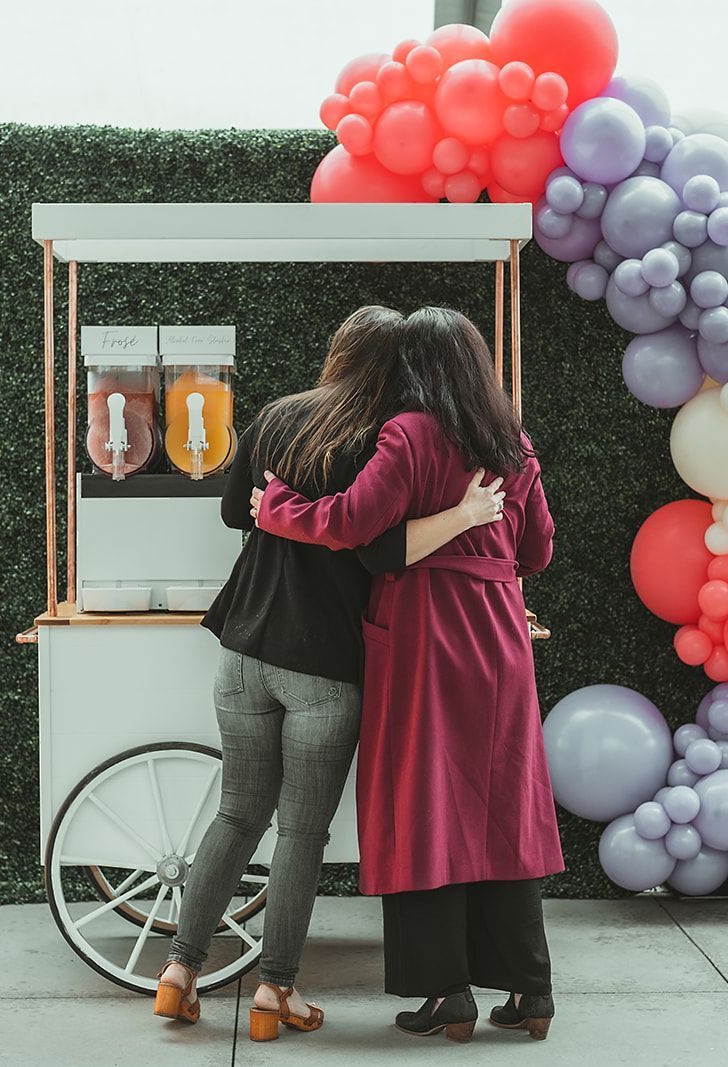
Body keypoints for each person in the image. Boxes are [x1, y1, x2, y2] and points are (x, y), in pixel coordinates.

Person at [154, 306, 508, 1042]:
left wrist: (278, 506)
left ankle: (180, 972)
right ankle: (274, 990)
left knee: (236, 813)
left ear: (337, 350)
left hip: (245, 649)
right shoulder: (386, 439)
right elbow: (380, 550)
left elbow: (232, 510)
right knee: (301, 833)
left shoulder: (280, 415)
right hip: (325, 666)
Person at [252, 306, 562, 1043]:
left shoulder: (409, 434)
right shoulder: (512, 443)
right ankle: (531, 991)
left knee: (423, 803)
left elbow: (352, 522)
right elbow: (539, 551)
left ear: (413, 368)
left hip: (423, 633)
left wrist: (280, 507)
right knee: (501, 806)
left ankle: (445, 995)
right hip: (500, 639)